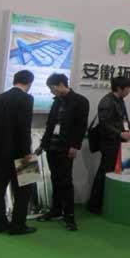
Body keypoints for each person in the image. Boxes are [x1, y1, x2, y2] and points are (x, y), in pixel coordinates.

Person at [34, 73, 89, 231]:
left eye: (52, 88)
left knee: (66, 181)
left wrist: (74, 146)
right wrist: (42, 145)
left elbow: (81, 126)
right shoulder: (56, 101)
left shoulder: (80, 101)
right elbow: (50, 125)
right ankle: (55, 210)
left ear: (60, 85)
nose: (51, 91)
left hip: (66, 147)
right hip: (52, 145)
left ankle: (69, 216)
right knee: (55, 178)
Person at [0, 70, 36, 235]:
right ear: (29, 83)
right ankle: (17, 225)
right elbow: (24, 127)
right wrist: (27, 151)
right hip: (19, 152)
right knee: (24, 189)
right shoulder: (27, 99)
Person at [87, 76, 130, 214]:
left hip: (118, 142)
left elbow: (124, 119)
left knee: (113, 172)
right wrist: (120, 134)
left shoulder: (120, 100)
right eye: (128, 88)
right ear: (120, 88)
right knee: (105, 172)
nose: (129, 90)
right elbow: (105, 124)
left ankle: (105, 203)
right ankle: (95, 205)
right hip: (109, 144)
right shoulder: (107, 102)